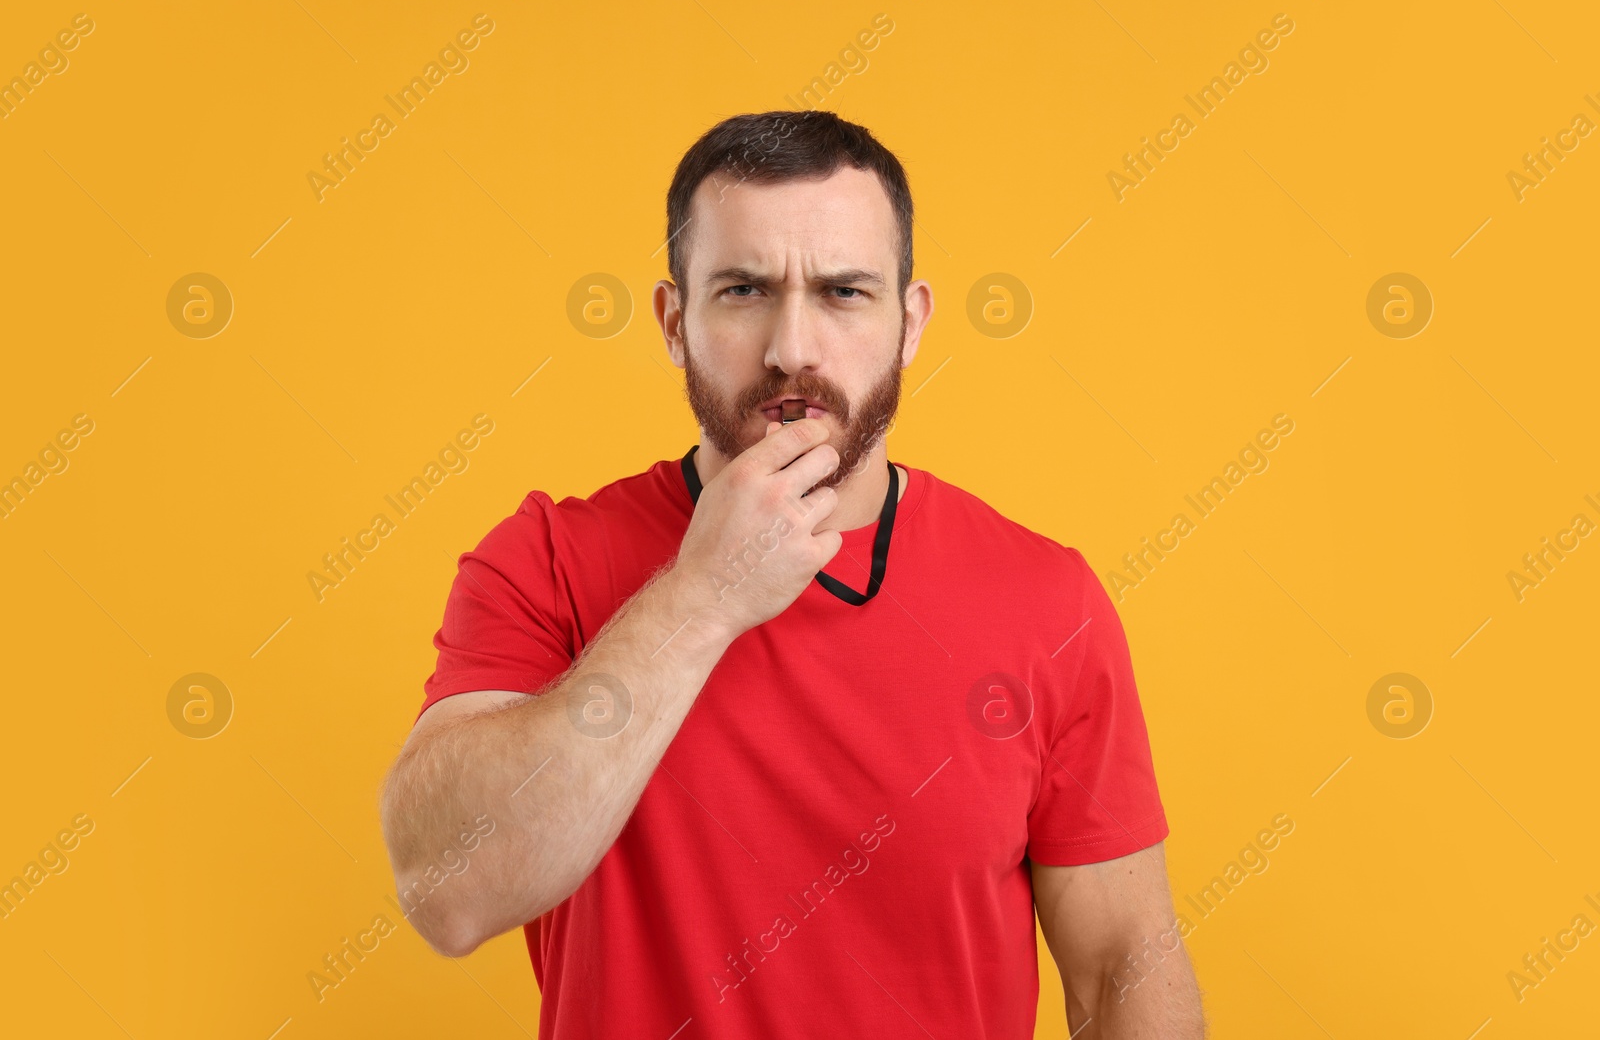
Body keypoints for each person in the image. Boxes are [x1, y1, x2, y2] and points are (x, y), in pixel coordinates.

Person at [379, 110, 1205, 1038]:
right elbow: (448, 890)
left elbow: (1121, 962)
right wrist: (704, 598)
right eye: (743, 289)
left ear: (911, 323)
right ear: (673, 320)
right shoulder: (548, 561)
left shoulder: (1048, 599)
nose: (793, 348)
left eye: (845, 292)